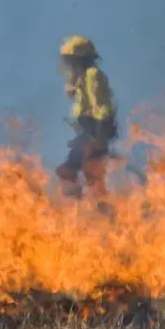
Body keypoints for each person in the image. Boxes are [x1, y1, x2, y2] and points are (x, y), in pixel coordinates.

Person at [56, 35, 119, 205]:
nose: (69, 65)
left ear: (80, 59)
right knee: (81, 175)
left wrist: (99, 138)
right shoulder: (82, 79)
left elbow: (102, 108)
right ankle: (89, 207)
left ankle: (96, 209)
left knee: (82, 174)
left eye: (71, 61)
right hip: (87, 134)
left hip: (93, 134)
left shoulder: (92, 76)